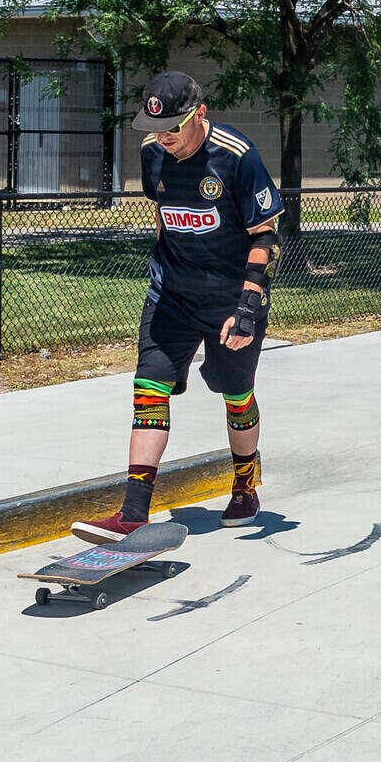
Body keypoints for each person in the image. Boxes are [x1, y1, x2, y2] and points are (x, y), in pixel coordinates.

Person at [73, 71, 283, 543]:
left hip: (232, 301)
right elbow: (164, 218)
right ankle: (132, 514)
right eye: (155, 130)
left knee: (236, 392)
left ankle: (245, 485)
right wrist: (164, 272)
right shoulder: (153, 153)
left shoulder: (237, 156)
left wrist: (248, 306)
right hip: (172, 296)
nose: (163, 139)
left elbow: (267, 235)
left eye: (172, 129)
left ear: (199, 115)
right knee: (149, 387)